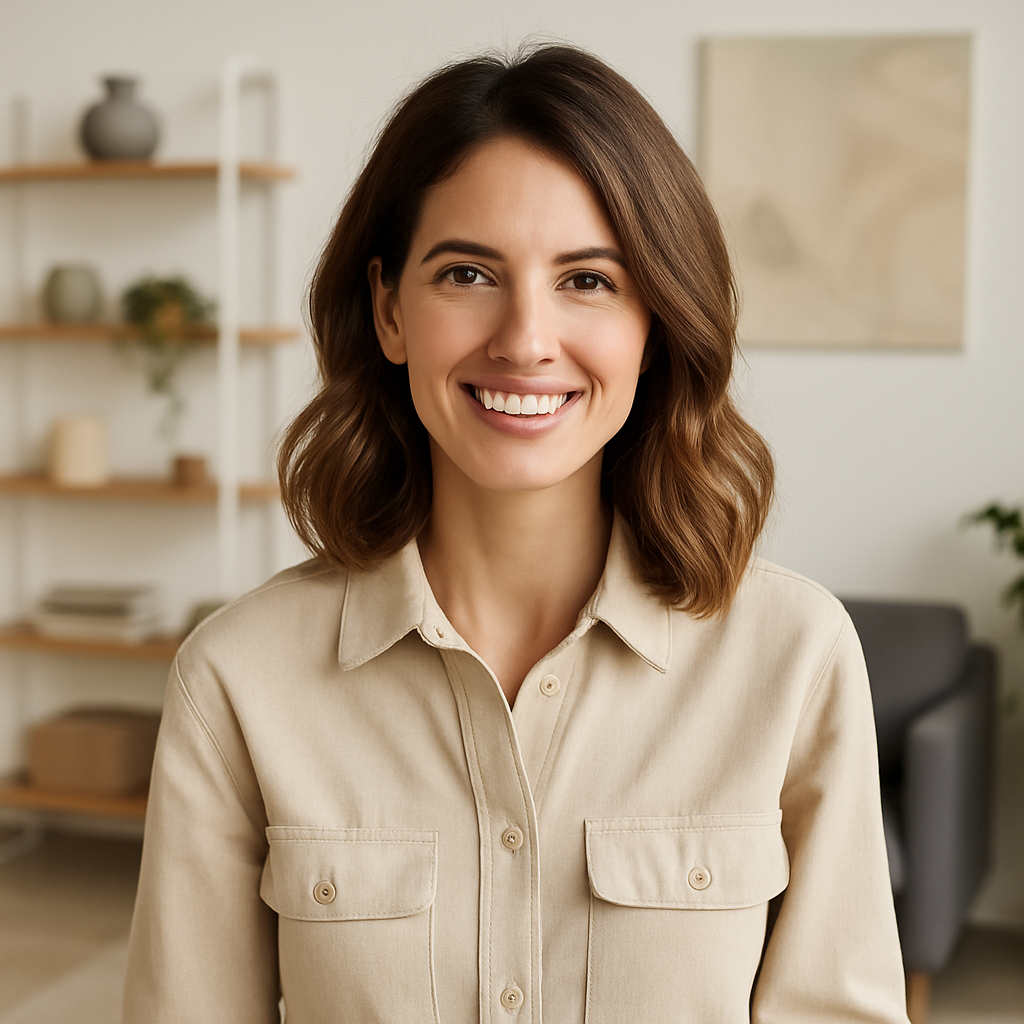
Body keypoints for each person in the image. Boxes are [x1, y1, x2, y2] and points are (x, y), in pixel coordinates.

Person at [123, 44, 910, 1024]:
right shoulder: (236, 678)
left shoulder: (793, 656)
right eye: (466, 272)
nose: (525, 338)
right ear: (388, 310)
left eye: (587, 281)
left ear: (653, 325)